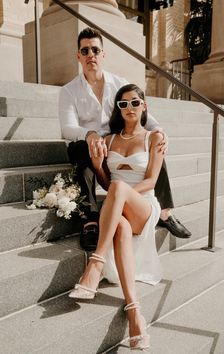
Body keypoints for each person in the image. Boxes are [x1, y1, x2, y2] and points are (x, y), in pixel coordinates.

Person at [58, 27, 191, 249]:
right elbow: (67, 128)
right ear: (78, 56)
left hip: (117, 140)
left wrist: (159, 130)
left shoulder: (118, 82)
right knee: (80, 149)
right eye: (85, 50)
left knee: (154, 141)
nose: (91, 54)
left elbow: (139, 109)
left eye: (95, 49)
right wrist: (89, 134)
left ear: (103, 54)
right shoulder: (69, 91)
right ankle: (90, 218)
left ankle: (165, 212)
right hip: (89, 143)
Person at [69, 83, 164, 350]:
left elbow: (151, 180)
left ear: (144, 106)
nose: (130, 107)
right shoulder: (109, 139)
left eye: (135, 102)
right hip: (118, 209)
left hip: (143, 205)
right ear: (118, 109)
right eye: (124, 104)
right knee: (120, 226)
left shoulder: (153, 137)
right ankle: (135, 312)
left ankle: (95, 263)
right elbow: (106, 182)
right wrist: (98, 166)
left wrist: (122, 194)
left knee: (119, 188)